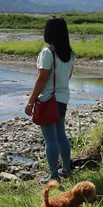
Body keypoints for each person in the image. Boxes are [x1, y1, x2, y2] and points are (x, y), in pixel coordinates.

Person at [24, 16, 75, 183]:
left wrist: (30, 102)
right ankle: (66, 170)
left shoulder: (47, 53)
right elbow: (69, 75)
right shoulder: (69, 53)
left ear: (48, 32)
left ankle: (54, 176)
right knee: (61, 135)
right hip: (62, 98)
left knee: (50, 139)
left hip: (48, 100)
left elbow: (41, 79)